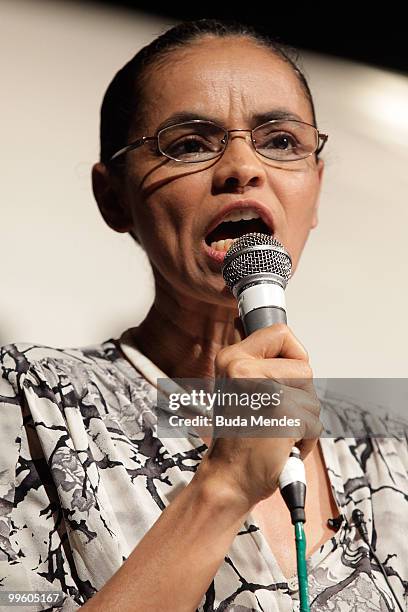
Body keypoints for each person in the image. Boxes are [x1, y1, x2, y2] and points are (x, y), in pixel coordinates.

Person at [1, 18, 407, 612]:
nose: (243, 167)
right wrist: (223, 487)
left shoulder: (387, 453)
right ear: (114, 197)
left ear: (315, 189)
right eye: (189, 144)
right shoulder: (33, 403)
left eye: (280, 141)